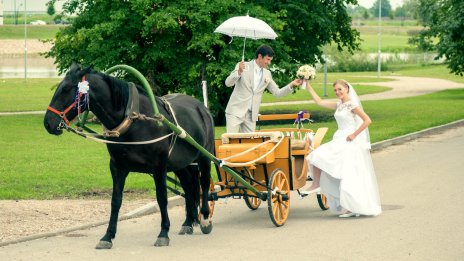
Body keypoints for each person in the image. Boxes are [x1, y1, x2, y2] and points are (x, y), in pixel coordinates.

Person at [300, 79, 382, 218]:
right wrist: (307, 85)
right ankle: (317, 184)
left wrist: (354, 134)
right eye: (335, 90)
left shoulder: (352, 105)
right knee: (316, 156)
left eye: (340, 89)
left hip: (348, 140)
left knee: (347, 173)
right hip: (339, 138)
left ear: (347, 89)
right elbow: (319, 101)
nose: (337, 92)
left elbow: (367, 120)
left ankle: (352, 207)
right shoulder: (339, 104)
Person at [225, 44, 301, 133]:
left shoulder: (267, 74)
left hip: (251, 116)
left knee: (249, 145)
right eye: (267, 59)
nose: (269, 62)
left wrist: (291, 85)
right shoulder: (242, 66)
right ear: (260, 56)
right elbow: (228, 83)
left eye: (270, 60)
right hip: (235, 111)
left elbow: (277, 93)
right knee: (230, 142)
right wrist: (239, 72)